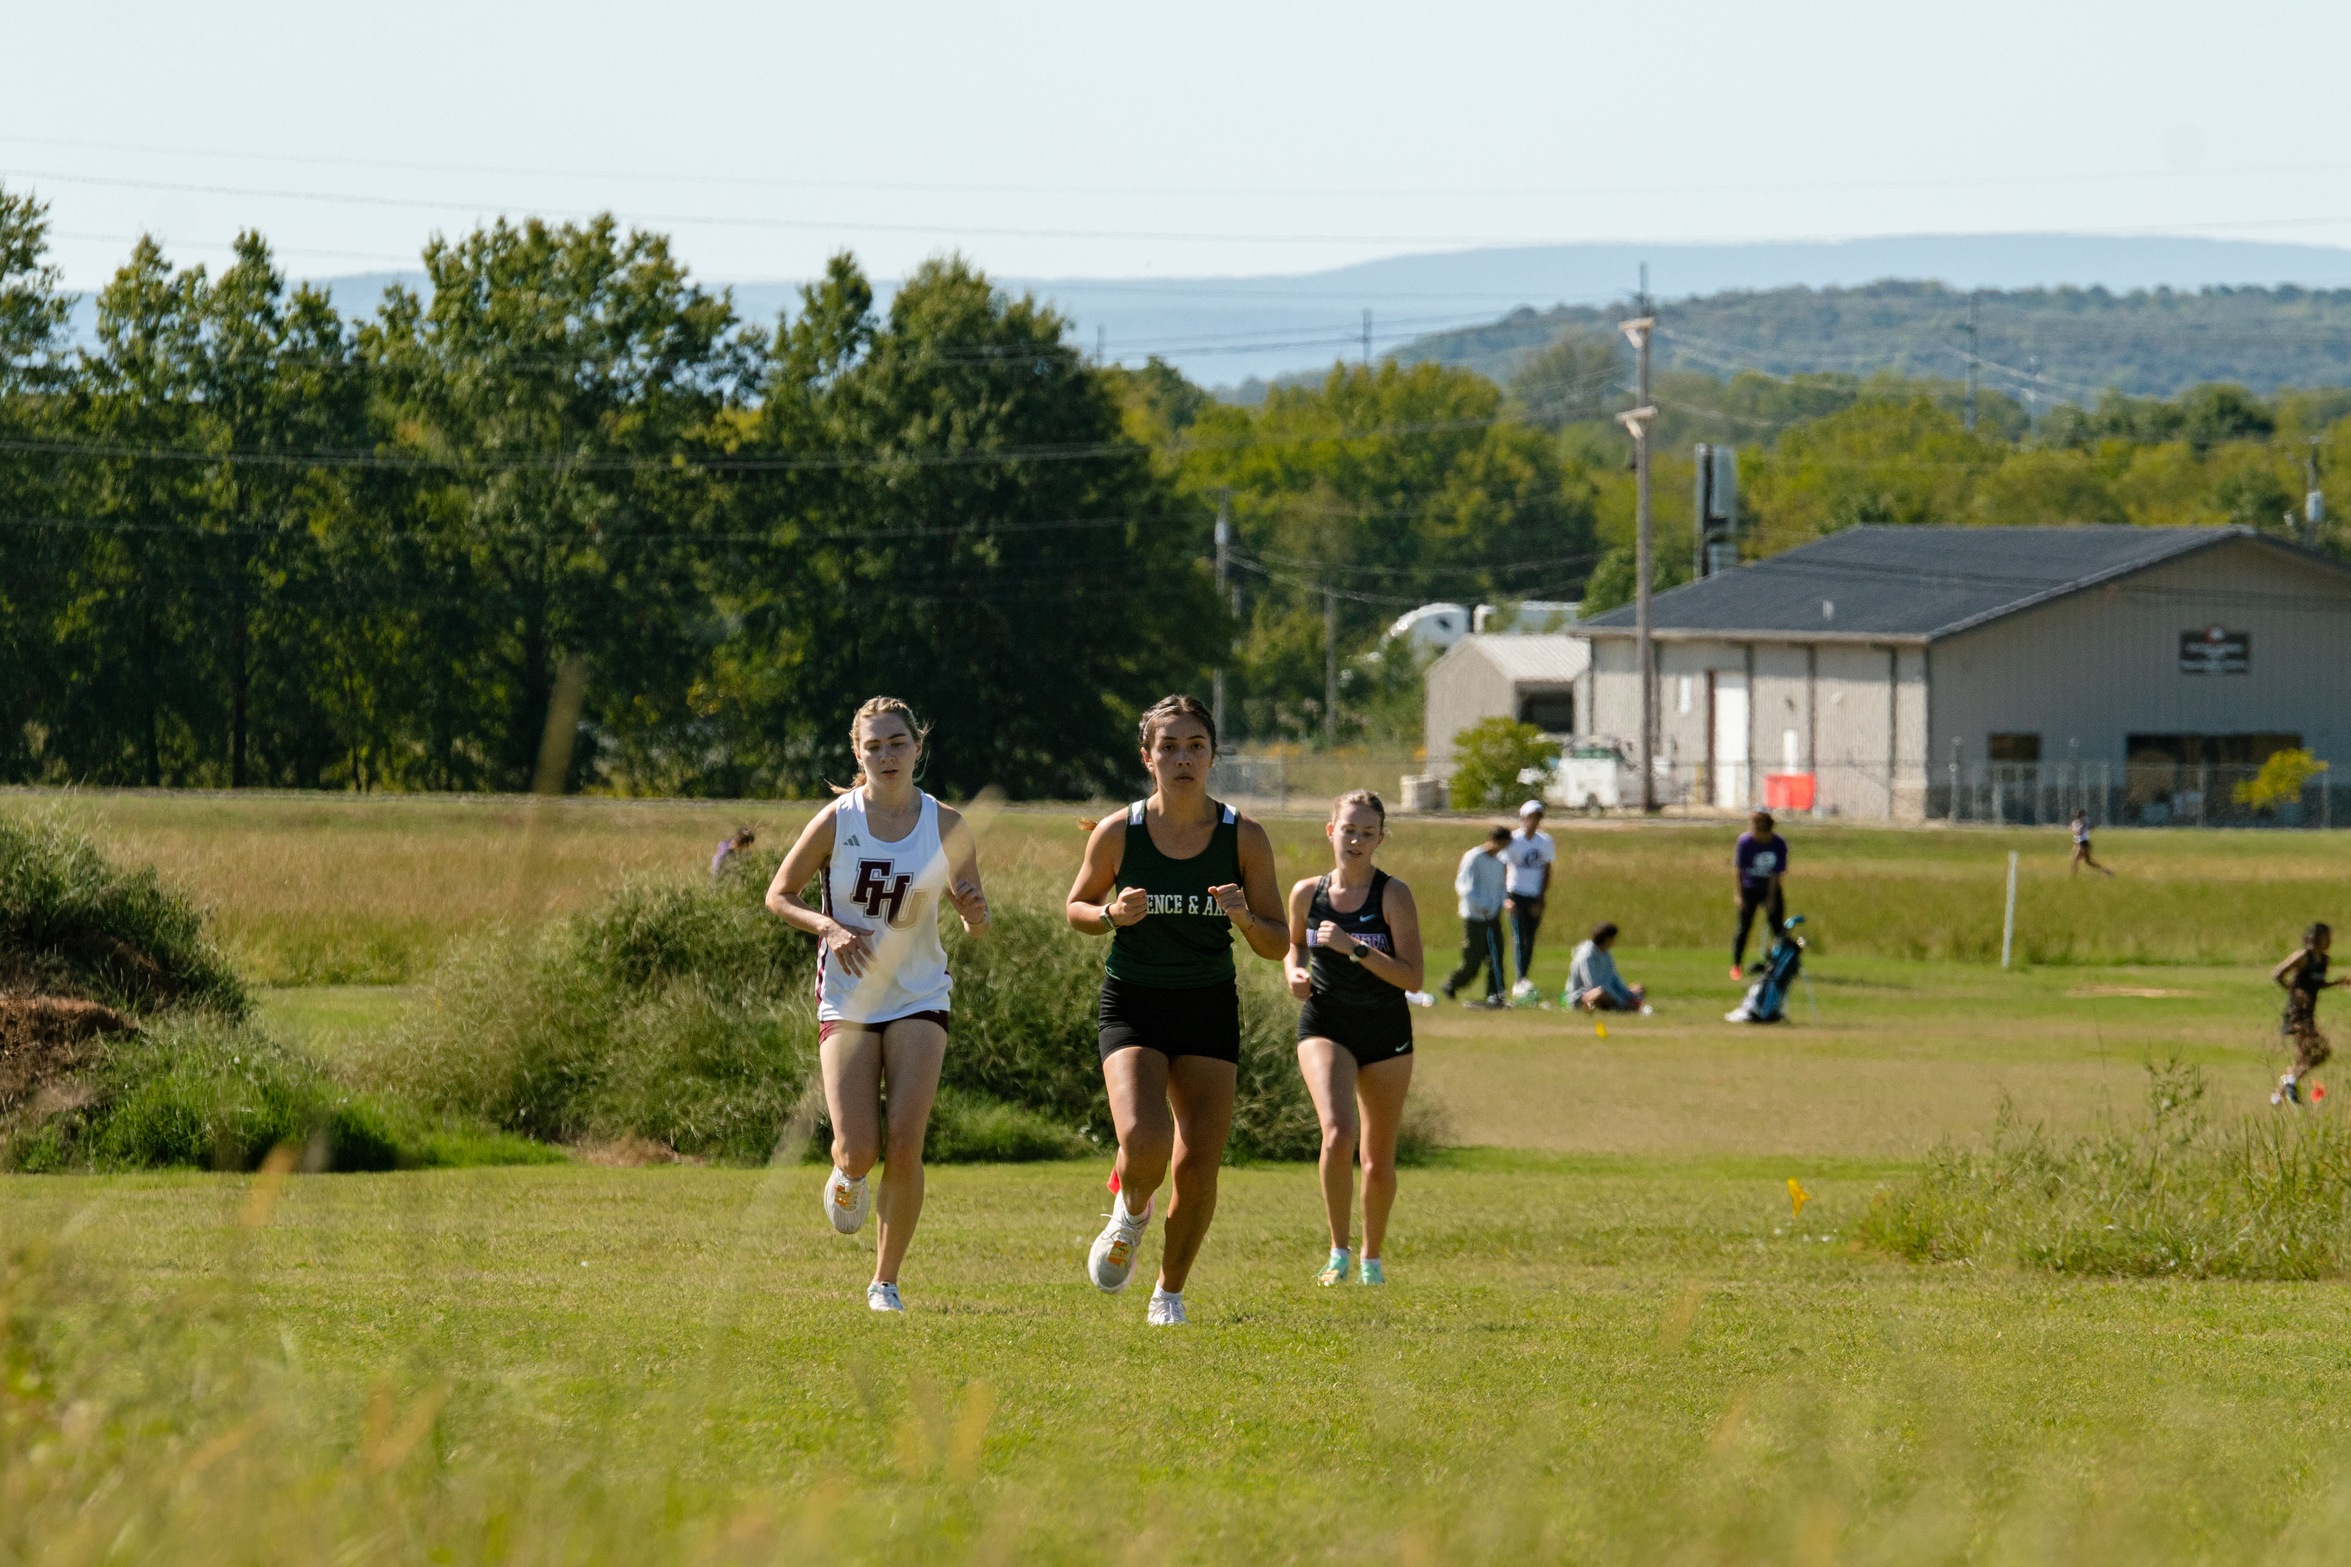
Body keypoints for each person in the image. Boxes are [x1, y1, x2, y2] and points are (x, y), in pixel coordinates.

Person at [1065, 695, 1288, 1326]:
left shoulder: (1244, 836)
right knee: (1143, 1139)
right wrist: (1109, 914)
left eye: (1195, 746)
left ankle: (1169, 1293)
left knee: (1196, 1166)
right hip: (1133, 999)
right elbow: (1076, 908)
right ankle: (1130, 1213)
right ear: (1147, 757)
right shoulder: (1120, 832)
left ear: (1213, 756)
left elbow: (1277, 944)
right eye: (1169, 747)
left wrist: (1245, 918)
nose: (1183, 759)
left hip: (1208, 1005)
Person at [764, 698, 990, 1314]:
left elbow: (977, 920)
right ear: (856, 754)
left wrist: (975, 914)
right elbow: (778, 896)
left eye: (897, 744)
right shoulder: (839, 820)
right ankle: (846, 1172)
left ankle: (884, 1282)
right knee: (859, 1147)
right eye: (874, 747)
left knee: (906, 1140)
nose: (886, 756)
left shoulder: (946, 824)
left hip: (920, 994)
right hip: (849, 997)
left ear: (918, 747)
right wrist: (828, 929)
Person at [1285, 790, 1424, 1287]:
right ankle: (1338, 1252)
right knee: (1339, 1132)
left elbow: (1413, 978)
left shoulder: (1393, 895)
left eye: (1368, 833)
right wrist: (1294, 973)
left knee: (1377, 1157)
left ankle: (1371, 1260)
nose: (1357, 840)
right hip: (1326, 1024)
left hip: (1385, 1031)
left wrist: (1356, 950)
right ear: (1331, 831)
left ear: (1381, 839)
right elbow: (1294, 943)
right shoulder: (1307, 892)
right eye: (1349, 830)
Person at [2271, 922, 2344, 1106]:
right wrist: (2294, 992)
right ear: (2316, 937)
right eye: (2327, 936)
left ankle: (2277, 1097)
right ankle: (2290, 1084)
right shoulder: (2303, 957)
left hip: (2309, 1013)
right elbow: (2278, 974)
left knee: (2304, 1058)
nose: (2330, 940)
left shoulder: (2324, 960)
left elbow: (2316, 984)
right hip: (2296, 1012)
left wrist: (2336, 983)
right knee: (2319, 1052)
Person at [1441, 825, 1511, 1007]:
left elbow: (1501, 887)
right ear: (1494, 841)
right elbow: (1464, 887)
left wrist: (1501, 904)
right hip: (1474, 917)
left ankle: (1496, 995)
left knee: (1496, 956)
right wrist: (1483, 906)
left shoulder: (1500, 861)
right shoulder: (1473, 857)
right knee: (1473, 960)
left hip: (1493, 917)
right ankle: (1451, 984)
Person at [1501, 800, 1556, 997]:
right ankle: (1519, 979)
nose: (1535, 821)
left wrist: (1540, 900)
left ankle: (1524, 976)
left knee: (1530, 939)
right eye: (1532, 817)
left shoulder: (1545, 841)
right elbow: (1503, 868)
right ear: (1523, 818)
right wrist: (1506, 897)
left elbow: (1547, 870)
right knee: (1519, 938)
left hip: (1534, 895)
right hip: (1516, 893)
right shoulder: (1513, 840)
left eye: (1538, 817)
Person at [1730, 810, 1789, 982]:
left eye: (1756, 828)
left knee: (1778, 928)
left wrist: (1770, 898)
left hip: (1770, 888)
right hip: (1749, 889)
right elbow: (1738, 869)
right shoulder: (1745, 842)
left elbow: (1776, 873)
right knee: (1743, 928)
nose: (1753, 831)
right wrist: (1739, 895)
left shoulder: (1778, 843)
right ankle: (1736, 965)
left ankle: (1781, 965)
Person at [1566, 922, 1647, 1013]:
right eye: (1613, 938)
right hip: (1582, 997)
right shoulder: (1586, 957)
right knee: (1599, 994)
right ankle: (1623, 1008)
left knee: (1639, 988)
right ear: (1607, 939)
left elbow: (1614, 978)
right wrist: (1621, 1000)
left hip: (1608, 992)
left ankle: (1625, 1006)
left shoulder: (1606, 953)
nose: (1614, 942)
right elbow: (1593, 986)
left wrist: (1628, 995)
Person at [2068, 811, 2112, 877]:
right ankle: (2107, 872)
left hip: (2083, 843)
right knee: (2088, 862)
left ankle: (2072, 877)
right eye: (2077, 815)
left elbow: (2082, 831)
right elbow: (2073, 829)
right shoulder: (2075, 822)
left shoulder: (2085, 823)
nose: (2078, 816)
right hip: (2078, 843)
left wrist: (2085, 828)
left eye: (2080, 815)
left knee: (2075, 860)